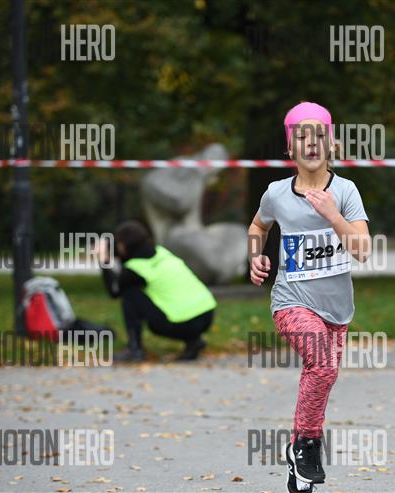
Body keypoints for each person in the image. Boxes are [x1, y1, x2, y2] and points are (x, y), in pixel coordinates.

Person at [247, 102, 371, 492]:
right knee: (322, 360)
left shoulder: (346, 191)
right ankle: (308, 446)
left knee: (321, 373)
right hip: (290, 301)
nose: (311, 142)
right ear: (291, 148)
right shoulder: (276, 193)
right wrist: (255, 256)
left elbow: (363, 250)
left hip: (337, 308)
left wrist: (334, 215)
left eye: (319, 134)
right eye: (301, 136)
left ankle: (298, 460)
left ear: (330, 143)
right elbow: (258, 226)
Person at [97, 220, 217, 362]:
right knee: (168, 298)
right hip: (207, 315)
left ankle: (134, 349)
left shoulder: (136, 269)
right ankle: (194, 341)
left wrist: (103, 261)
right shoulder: (163, 253)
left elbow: (114, 290)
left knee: (130, 294)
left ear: (123, 246)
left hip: (184, 324)